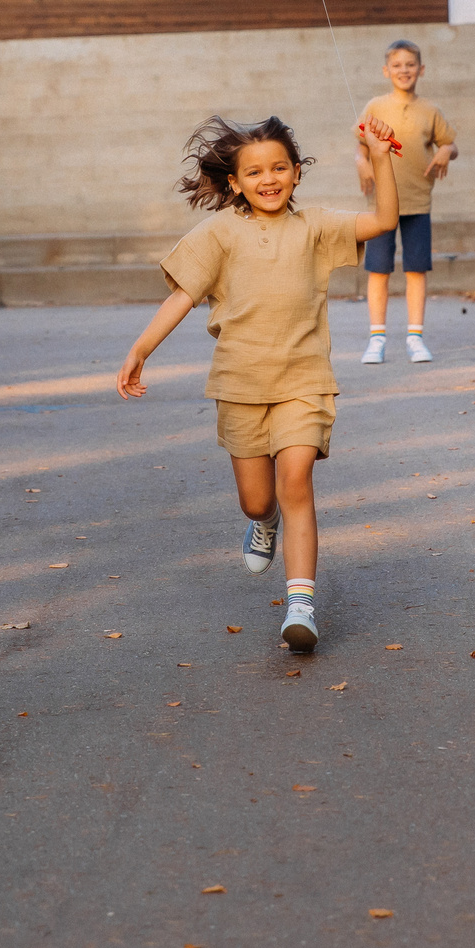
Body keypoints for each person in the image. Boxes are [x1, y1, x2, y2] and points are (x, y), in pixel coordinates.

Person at [115, 112, 399, 654]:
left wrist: (379, 156)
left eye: (279, 168)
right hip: (240, 384)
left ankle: (301, 605)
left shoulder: (314, 227)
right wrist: (140, 349)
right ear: (234, 182)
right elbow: (182, 295)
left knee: (297, 482)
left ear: (296, 172)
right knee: (256, 499)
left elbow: (384, 220)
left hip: (304, 381)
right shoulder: (218, 232)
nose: (268, 179)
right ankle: (262, 523)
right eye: (254, 172)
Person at [354, 39, 457, 364]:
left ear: (421, 69)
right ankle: (377, 338)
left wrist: (445, 150)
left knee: (416, 271)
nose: (404, 70)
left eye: (410, 64)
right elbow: (360, 144)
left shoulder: (431, 110)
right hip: (382, 209)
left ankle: (415, 338)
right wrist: (361, 162)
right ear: (387, 71)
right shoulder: (375, 106)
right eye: (397, 65)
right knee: (378, 271)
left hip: (418, 205)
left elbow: (451, 145)